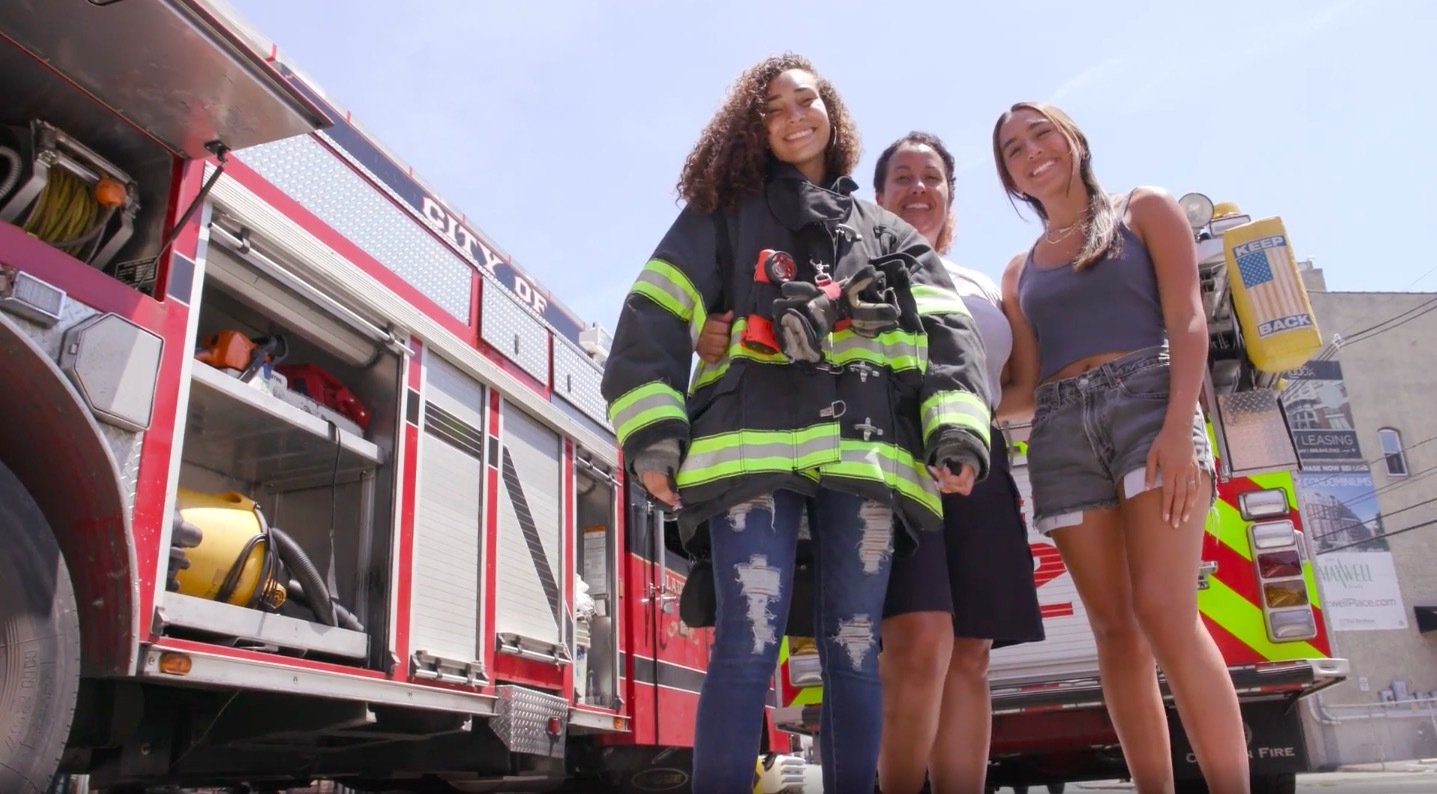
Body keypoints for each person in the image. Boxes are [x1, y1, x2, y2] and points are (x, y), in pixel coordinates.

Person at [600, 54, 993, 794]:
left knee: (851, 645)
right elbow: (649, 320)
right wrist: (653, 436)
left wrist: (956, 430)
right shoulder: (716, 221)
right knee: (747, 641)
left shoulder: (887, 234)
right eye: (773, 108)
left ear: (832, 113)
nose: (793, 116)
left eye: (805, 100)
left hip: (866, 462)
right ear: (751, 129)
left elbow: (950, 339)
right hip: (747, 454)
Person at [697, 131, 1046, 794]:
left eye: (933, 177)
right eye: (902, 178)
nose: (919, 189)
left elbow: (1021, 385)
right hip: (881, 465)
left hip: (974, 464)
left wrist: (961, 427)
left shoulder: (983, 284)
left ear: (950, 194)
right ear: (878, 196)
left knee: (970, 656)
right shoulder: (841, 269)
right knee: (915, 645)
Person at [994, 101, 1249, 794]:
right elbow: (1024, 384)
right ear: (1010, 178)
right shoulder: (1018, 271)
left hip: (1148, 404)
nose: (1030, 150)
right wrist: (960, 410)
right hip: (1057, 434)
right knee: (1114, 630)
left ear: (1073, 138)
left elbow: (1185, 319)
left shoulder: (1143, 208)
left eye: (1040, 132)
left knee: (1166, 613)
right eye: (1012, 149)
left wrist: (1177, 427)